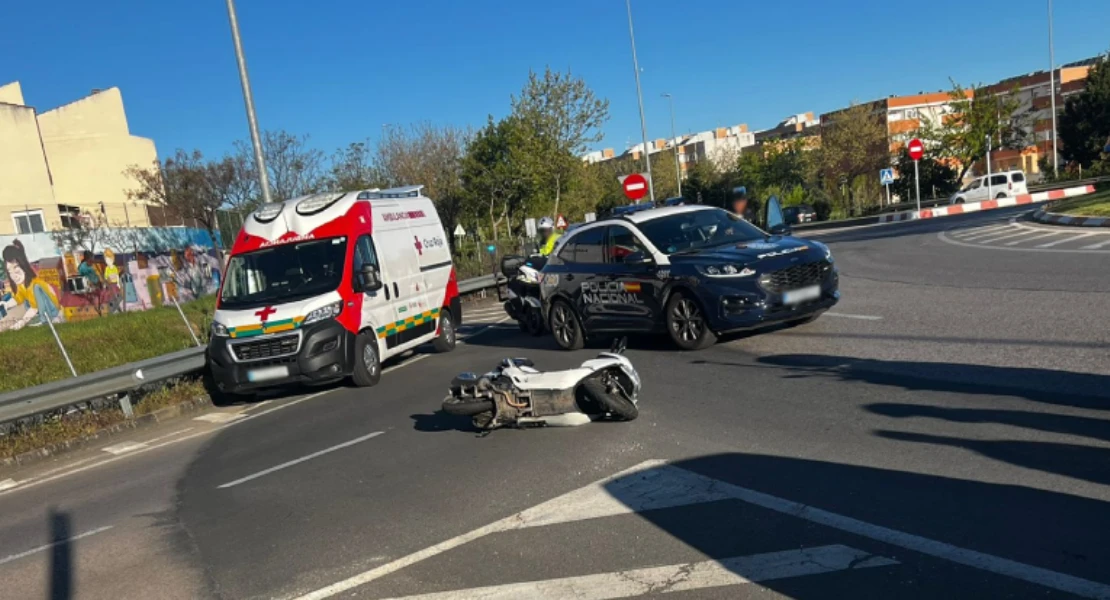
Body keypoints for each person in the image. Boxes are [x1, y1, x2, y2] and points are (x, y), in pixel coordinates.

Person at [3, 240, 63, 329]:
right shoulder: (21, 285)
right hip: (40, 310)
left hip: (53, 312)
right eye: (10, 271)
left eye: (15, 267)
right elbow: (18, 298)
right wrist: (7, 304)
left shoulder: (34, 284)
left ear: (23, 265)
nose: (13, 275)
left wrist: (22, 322)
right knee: (27, 301)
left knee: (37, 289)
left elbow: (35, 307)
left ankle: (45, 319)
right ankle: (41, 318)